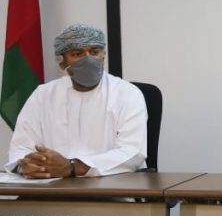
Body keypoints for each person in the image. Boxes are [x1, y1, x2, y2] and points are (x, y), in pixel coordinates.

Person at [6, 23, 147, 178]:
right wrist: (27, 165)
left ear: (103, 56)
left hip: (112, 185)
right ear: (62, 62)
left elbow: (132, 152)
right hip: (52, 185)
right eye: (77, 53)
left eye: (94, 52)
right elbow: (22, 146)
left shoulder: (127, 94)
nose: (89, 59)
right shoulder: (43, 95)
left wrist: (72, 167)